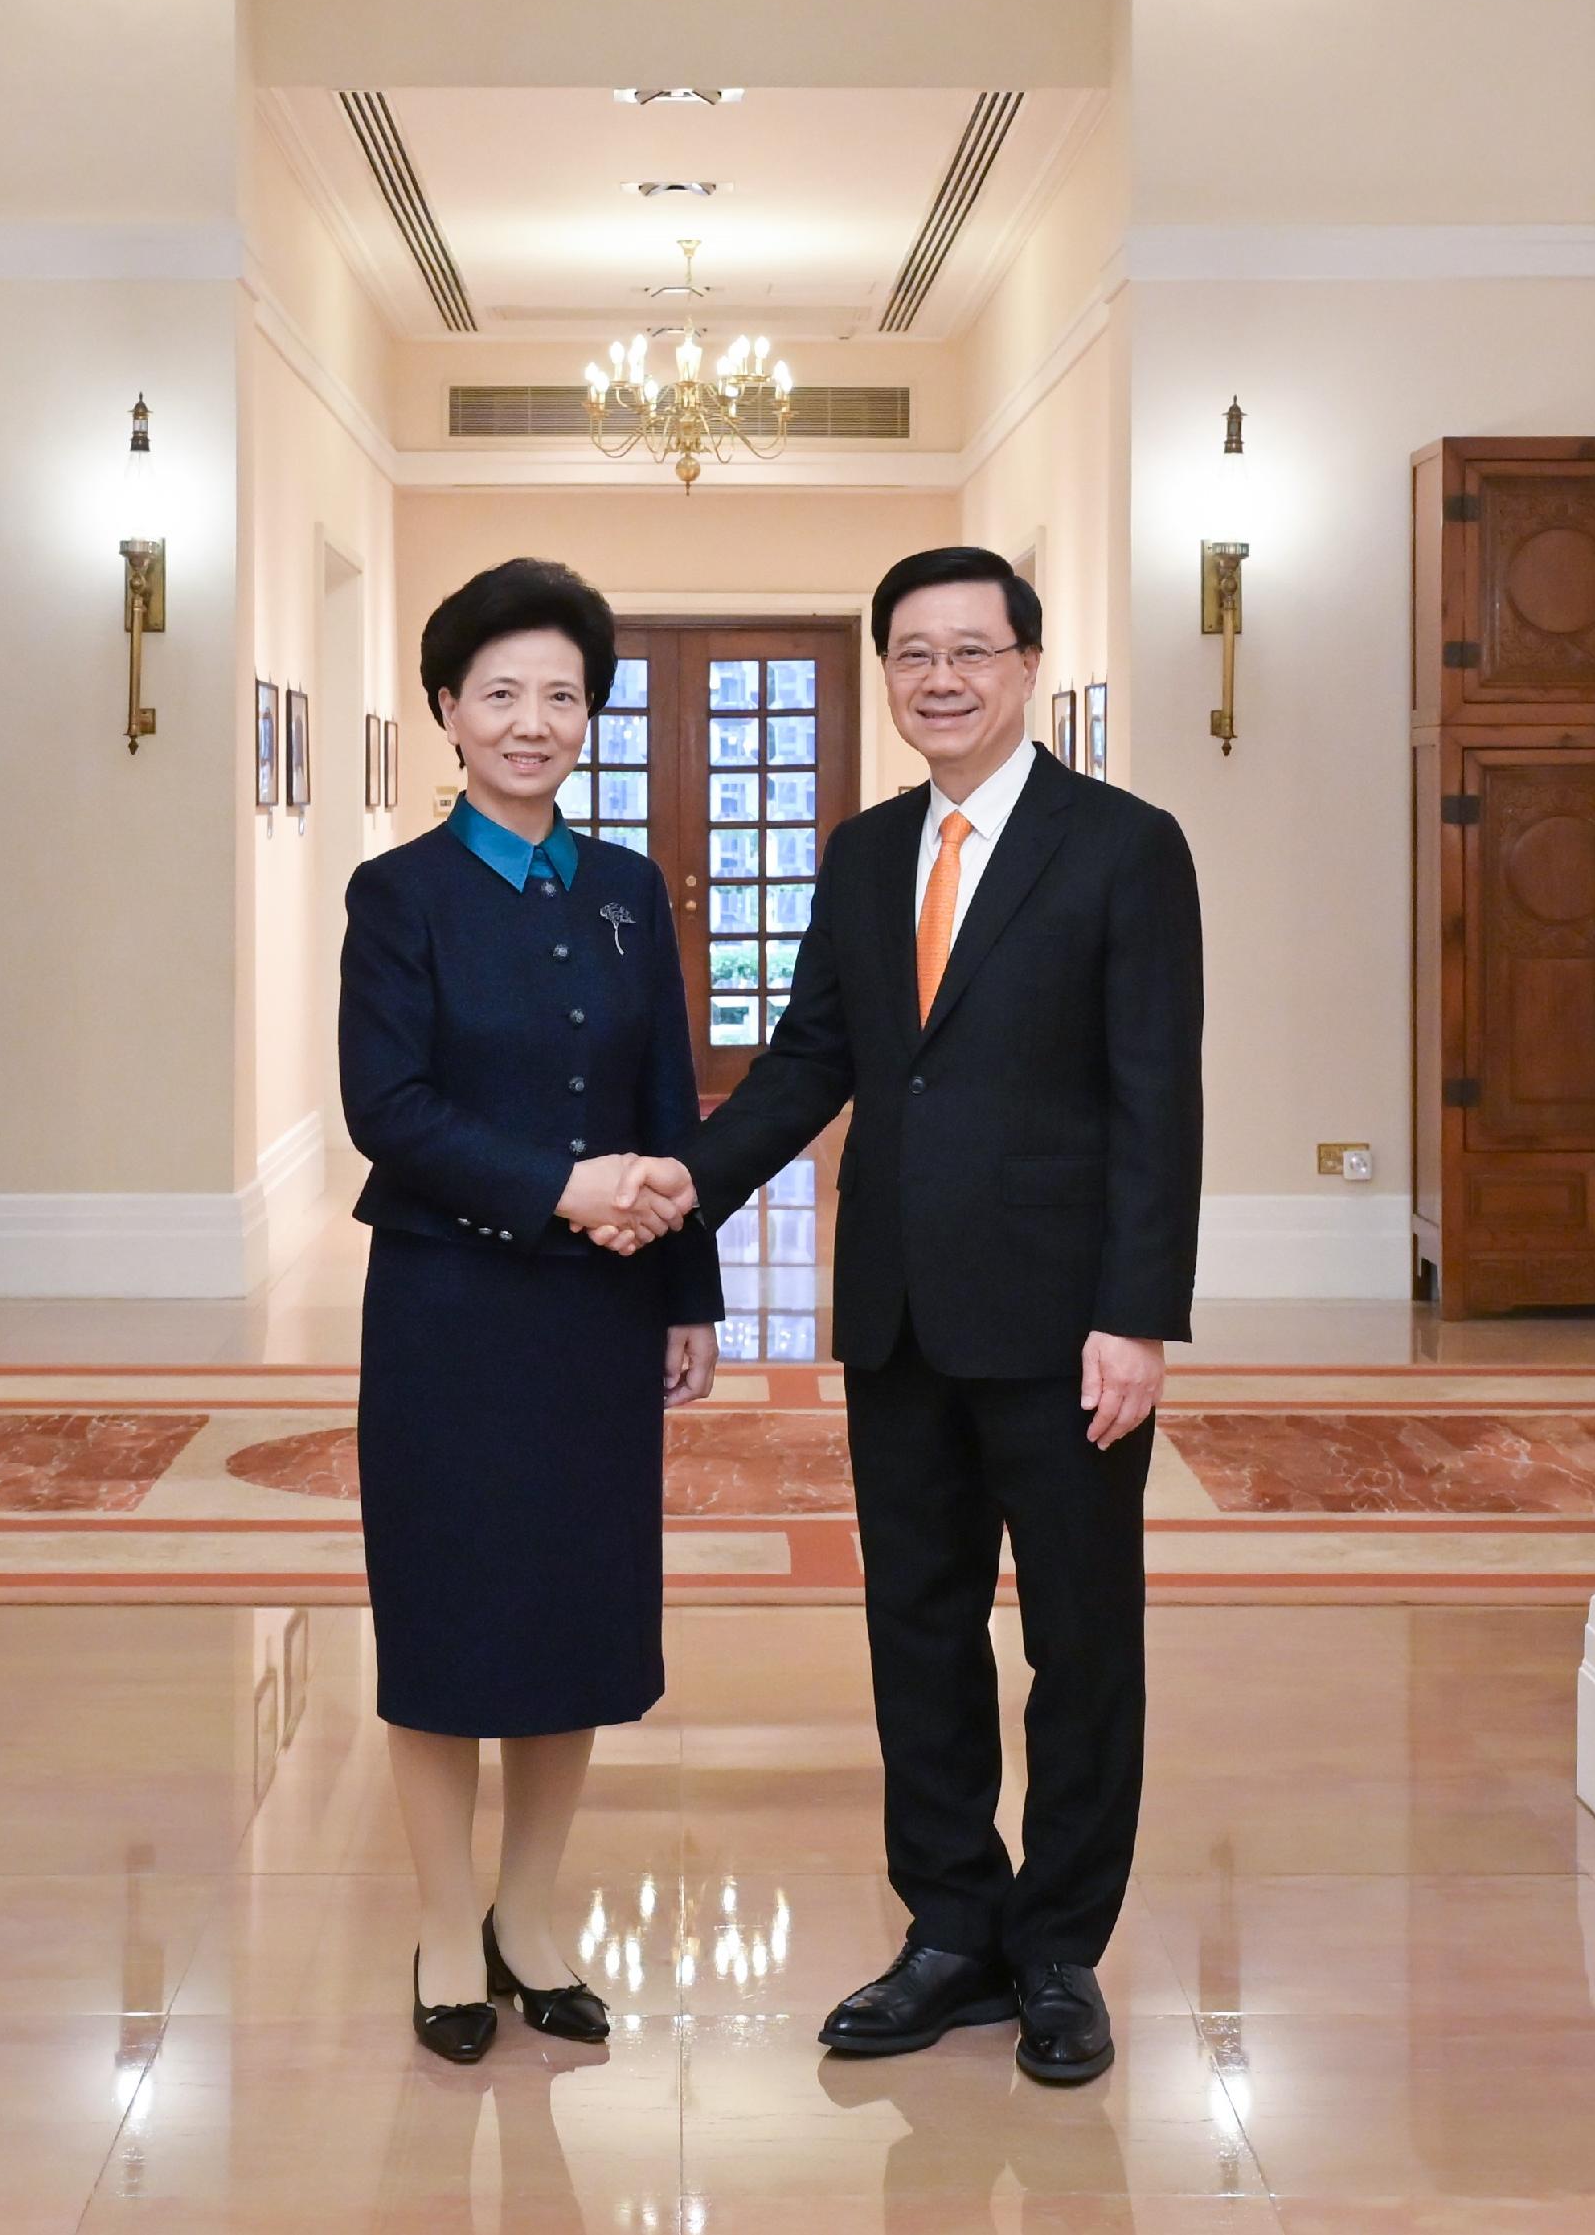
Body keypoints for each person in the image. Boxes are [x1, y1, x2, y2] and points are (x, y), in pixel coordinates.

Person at [597, 545, 1200, 2087]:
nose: (941, 677)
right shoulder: (865, 853)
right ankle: (949, 1928)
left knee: (1081, 1641)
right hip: (900, 1321)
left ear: (1026, 665)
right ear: (888, 675)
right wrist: (683, 1181)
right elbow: (810, 1064)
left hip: (1068, 1325)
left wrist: (1136, 1315)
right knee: (915, 1631)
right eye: (913, 654)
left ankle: (1057, 1948)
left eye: (972, 651)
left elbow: (1156, 1097)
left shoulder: (1126, 847)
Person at [338, 557, 717, 2066]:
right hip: (445, 1308)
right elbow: (390, 1109)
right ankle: (444, 1921)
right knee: (446, 1617)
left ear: (590, 715)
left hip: (598, 1324)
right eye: (501, 692)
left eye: (562, 694)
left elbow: (668, 1097)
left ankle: (533, 1915)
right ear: (446, 708)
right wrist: (562, 1185)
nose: (533, 720)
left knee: (569, 1612)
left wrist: (686, 1292)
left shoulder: (627, 890)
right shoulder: (399, 894)